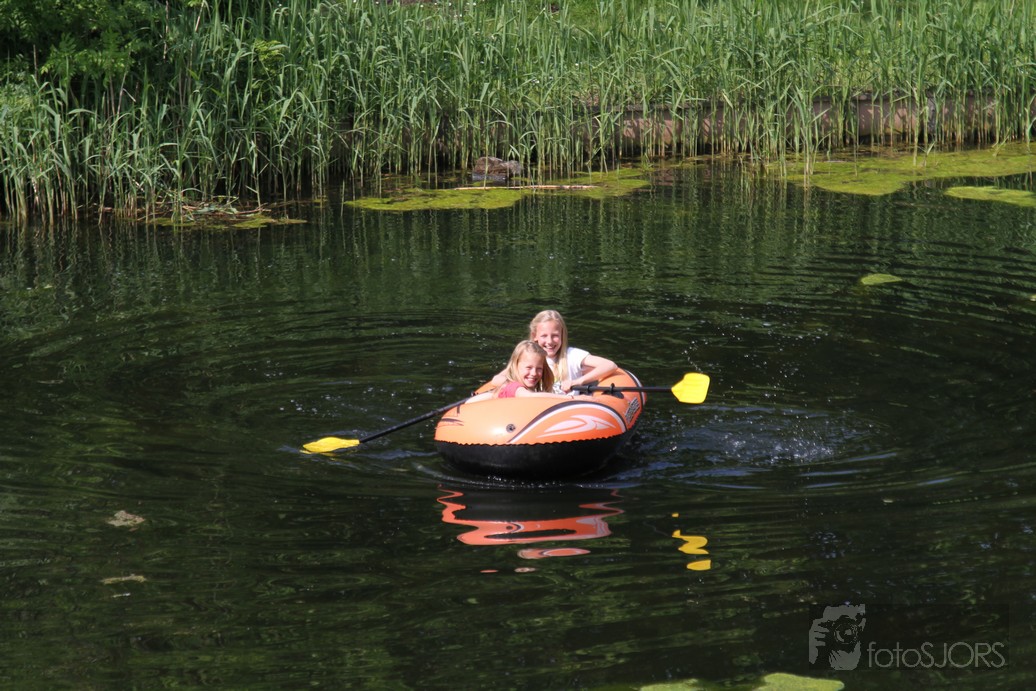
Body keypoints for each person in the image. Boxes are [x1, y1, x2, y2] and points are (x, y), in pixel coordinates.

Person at [491, 310, 617, 394]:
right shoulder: (529, 358)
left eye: (555, 336)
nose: (550, 341)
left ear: (562, 335)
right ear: (535, 336)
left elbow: (610, 365)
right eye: (544, 336)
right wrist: (518, 388)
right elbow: (497, 379)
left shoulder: (572, 355)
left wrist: (578, 382)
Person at [468, 340, 568, 402]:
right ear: (516, 366)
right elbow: (529, 396)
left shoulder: (517, 386)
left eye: (539, 369)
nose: (534, 373)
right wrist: (568, 399)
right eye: (528, 368)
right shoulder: (514, 387)